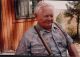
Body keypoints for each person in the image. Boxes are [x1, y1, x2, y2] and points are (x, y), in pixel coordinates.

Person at [15, 1, 79, 57]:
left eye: (51, 16)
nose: (49, 19)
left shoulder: (59, 27)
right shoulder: (28, 36)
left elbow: (71, 45)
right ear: (36, 16)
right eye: (46, 16)